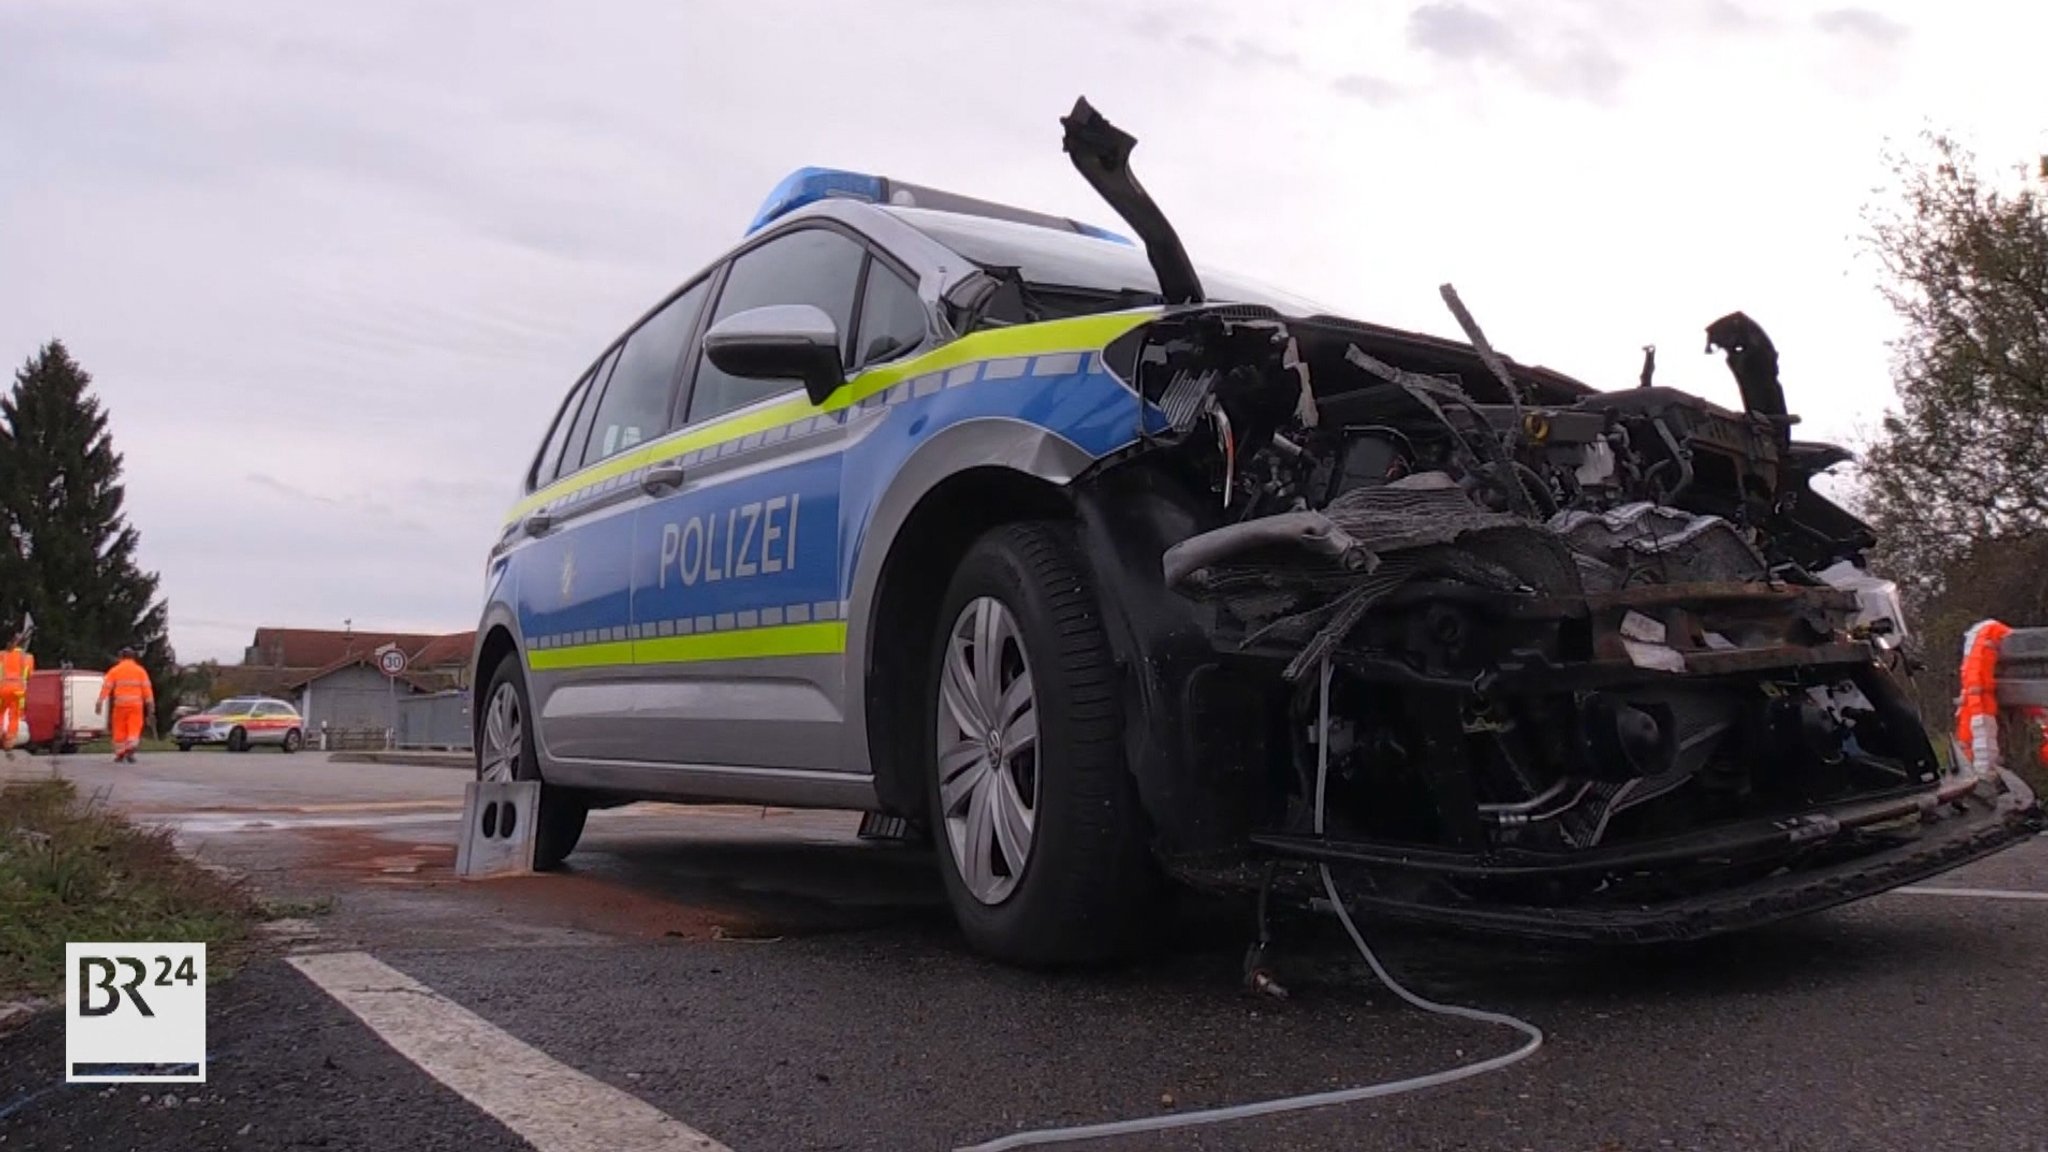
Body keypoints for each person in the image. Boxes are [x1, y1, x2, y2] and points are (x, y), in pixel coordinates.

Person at [97, 647, 154, 764]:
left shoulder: (115, 670)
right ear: (133, 657)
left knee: (119, 728)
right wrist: (150, 705)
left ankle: (120, 753)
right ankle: (130, 750)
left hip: (120, 705)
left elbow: (107, 687)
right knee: (134, 727)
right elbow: (147, 689)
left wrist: (100, 701)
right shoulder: (140, 671)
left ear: (121, 657)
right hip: (136, 706)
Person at [0, 632, 31, 760]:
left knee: (1, 712)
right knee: (15, 716)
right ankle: (10, 742)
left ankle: (1, 732)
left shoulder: (2, 655)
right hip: (19, 691)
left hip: (3, 689)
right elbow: (29, 675)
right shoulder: (28, 657)